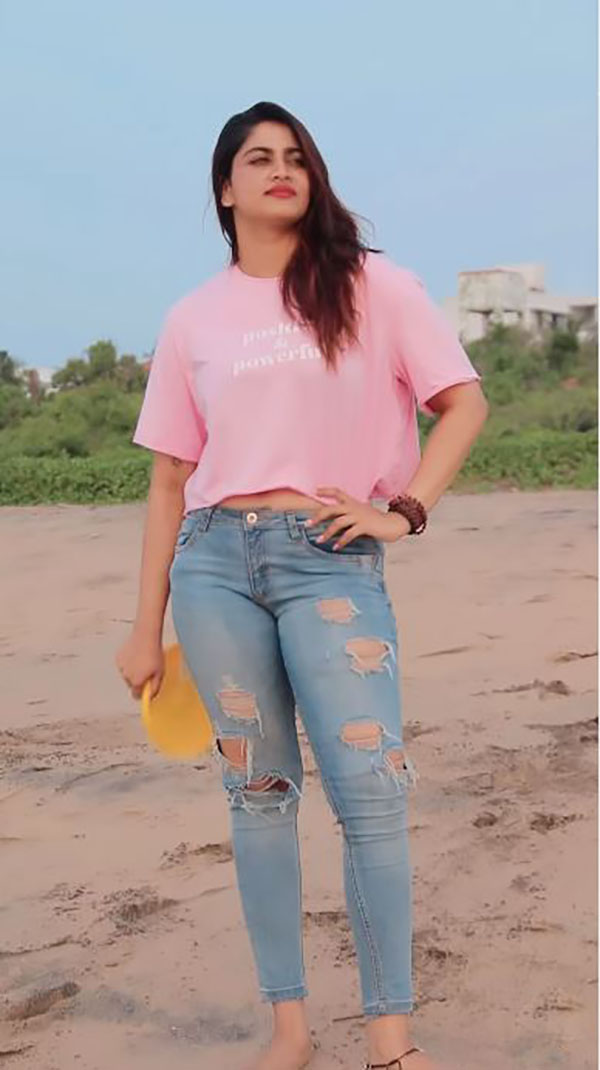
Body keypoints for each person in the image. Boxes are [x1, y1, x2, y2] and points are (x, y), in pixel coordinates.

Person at [116, 100, 488, 1070]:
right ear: (225, 188)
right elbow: (168, 480)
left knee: (371, 786)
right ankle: (289, 1028)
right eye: (258, 158)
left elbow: (463, 402)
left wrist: (405, 508)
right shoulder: (192, 318)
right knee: (259, 792)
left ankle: (390, 1038)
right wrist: (144, 625)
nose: (282, 169)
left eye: (296, 157)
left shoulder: (373, 286)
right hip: (212, 565)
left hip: (328, 554)